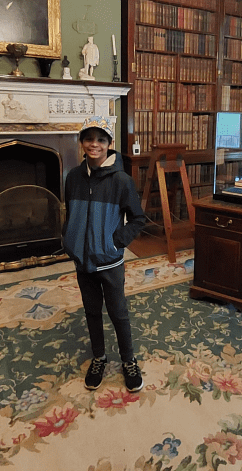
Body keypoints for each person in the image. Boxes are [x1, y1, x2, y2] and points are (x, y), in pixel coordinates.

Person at [62, 116, 148, 392]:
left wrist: (115, 242)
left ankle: (128, 360)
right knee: (91, 311)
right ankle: (98, 357)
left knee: (118, 312)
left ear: (109, 144)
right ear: (81, 142)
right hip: (82, 261)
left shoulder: (122, 180)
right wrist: (70, 239)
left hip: (109, 261)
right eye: (89, 138)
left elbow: (138, 218)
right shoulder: (73, 177)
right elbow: (70, 212)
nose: (94, 144)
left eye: (101, 139)